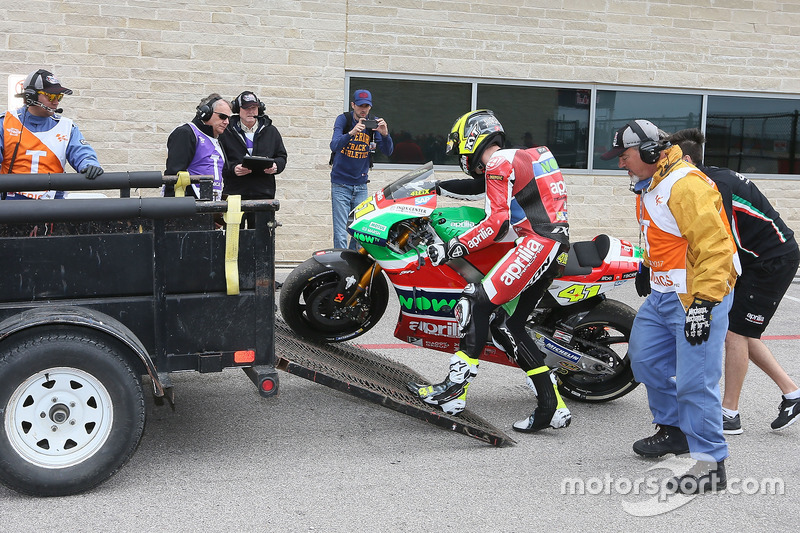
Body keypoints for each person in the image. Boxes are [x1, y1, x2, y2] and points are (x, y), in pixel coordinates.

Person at [408, 109, 572, 434]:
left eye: (460, 151)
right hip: (554, 246)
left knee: (474, 301)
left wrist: (452, 248)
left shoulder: (499, 162)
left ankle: (454, 389)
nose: (462, 158)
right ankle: (552, 405)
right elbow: (482, 186)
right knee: (506, 324)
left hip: (537, 244)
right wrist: (437, 187)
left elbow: (497, 224)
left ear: (472, 140)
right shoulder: (521, 156)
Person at [601, 119, 738, 494]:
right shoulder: (649, 185)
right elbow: (664, 235)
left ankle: (710, 464)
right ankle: (675, 431)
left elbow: (716, 247)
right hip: (663, 297)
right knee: (643, 362)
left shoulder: (686, 184)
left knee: (696, 383)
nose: (620, 164)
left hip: (694, 299)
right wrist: (647, 266)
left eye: (624, 156)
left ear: (647, 152)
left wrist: (705, 303)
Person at [667, 128, 800, 434]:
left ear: (686, 159)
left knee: (734, 334)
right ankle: (792, 392)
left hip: (772, 261)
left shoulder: (714, 185)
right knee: (741, 330)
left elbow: (719, 244)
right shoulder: (706, 178)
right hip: (756, 260)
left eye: (669, 158)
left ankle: (730, 413)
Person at [1, 69, 103, 200]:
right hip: (11, 207)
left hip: (52, 208)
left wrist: (89, 165)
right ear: (30, 96)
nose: (56, 102)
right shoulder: (5, 123)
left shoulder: (67, 127)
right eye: (51, 96)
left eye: (59, 97)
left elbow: (82, 153)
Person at [329, 89, 393, 249]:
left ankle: (352, 264)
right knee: (340, 232)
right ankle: (341, 266)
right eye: (360, 106)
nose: (363, 109)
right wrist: (351, 132)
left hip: (361, 185)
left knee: (359, 231)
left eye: (366, 106)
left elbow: (388, 152)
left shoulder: (373, 122)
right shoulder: (344, 119)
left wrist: (385, 135)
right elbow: (334, 145)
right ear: (353, 105)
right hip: (341, 184)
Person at [219, 91, 287, 227]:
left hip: (263, 194)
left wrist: (276, 167)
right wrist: (233, 169)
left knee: (261, 241)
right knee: (233, 238)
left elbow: (282, 156)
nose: (250, 111)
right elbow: (218, 160)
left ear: (259, 109)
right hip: (234, 194)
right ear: (238, 110)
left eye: (254, 108)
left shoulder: (271, 131)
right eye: (246, 108)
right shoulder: (226, 131)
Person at [164, 93, 231, 200]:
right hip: (189, 205)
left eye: (228, 118)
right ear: (206, 113)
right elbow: (173, 175)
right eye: (222, 116)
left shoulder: (217, 139)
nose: (226, 122)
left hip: (210, 204)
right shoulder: (186, 133)